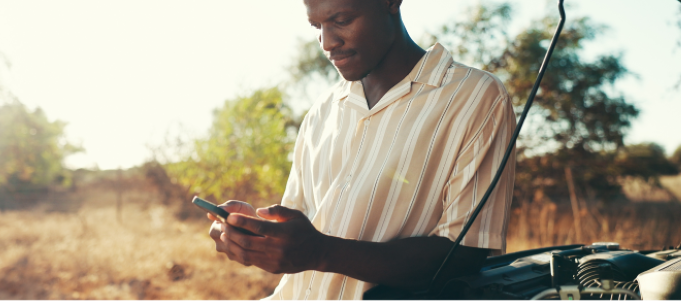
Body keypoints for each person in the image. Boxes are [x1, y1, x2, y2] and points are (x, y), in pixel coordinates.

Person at [207, 0, 516, 299]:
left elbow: (464, 256)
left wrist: (322, 253)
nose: (327, 42)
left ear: (390, 2)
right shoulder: (322, 110)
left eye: (341, 21)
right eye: (317, 26)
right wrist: (259, 235)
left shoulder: (476, 98)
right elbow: (302, 232)